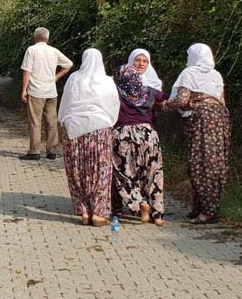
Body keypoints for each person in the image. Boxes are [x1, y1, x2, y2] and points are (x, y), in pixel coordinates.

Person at [162, 43, 230, 225]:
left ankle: (208, 211)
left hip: (201, 121)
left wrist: (166, 105)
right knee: (215, 162)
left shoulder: (189, 73)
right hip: (220, 119)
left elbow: (182, 99)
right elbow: (221, 100)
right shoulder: (216, 75)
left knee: (199, 162)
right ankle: (202, 207)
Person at [57, 49, 120, 226]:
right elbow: (113, 105)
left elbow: (66, 102)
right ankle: (99, 212)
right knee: (100, 170)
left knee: (77, 169)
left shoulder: (74, 79)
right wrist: (109, 123)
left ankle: (83, 210)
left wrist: (63, 121)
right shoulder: (107, 82)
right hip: (99, 129)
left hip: (74, 129)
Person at [112, 65, 168, 226]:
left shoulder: (115, 92)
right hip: (148, 135)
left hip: (122, 136)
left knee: (125, 174)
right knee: (153, 173)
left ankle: (140, 203)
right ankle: (158, 215)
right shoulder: (148, 91)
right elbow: (168, 98)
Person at [19, 27, 73, 161]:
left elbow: (27, 71)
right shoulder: (54, 51)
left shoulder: (31, 50)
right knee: (51, 121)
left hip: (36, 91)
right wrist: (56, 77)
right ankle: (52, 150)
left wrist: (24, 90)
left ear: (35, 37)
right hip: (51, 91)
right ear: (47, 38)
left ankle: (35, 151)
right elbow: (69, 64)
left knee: (35, 121)